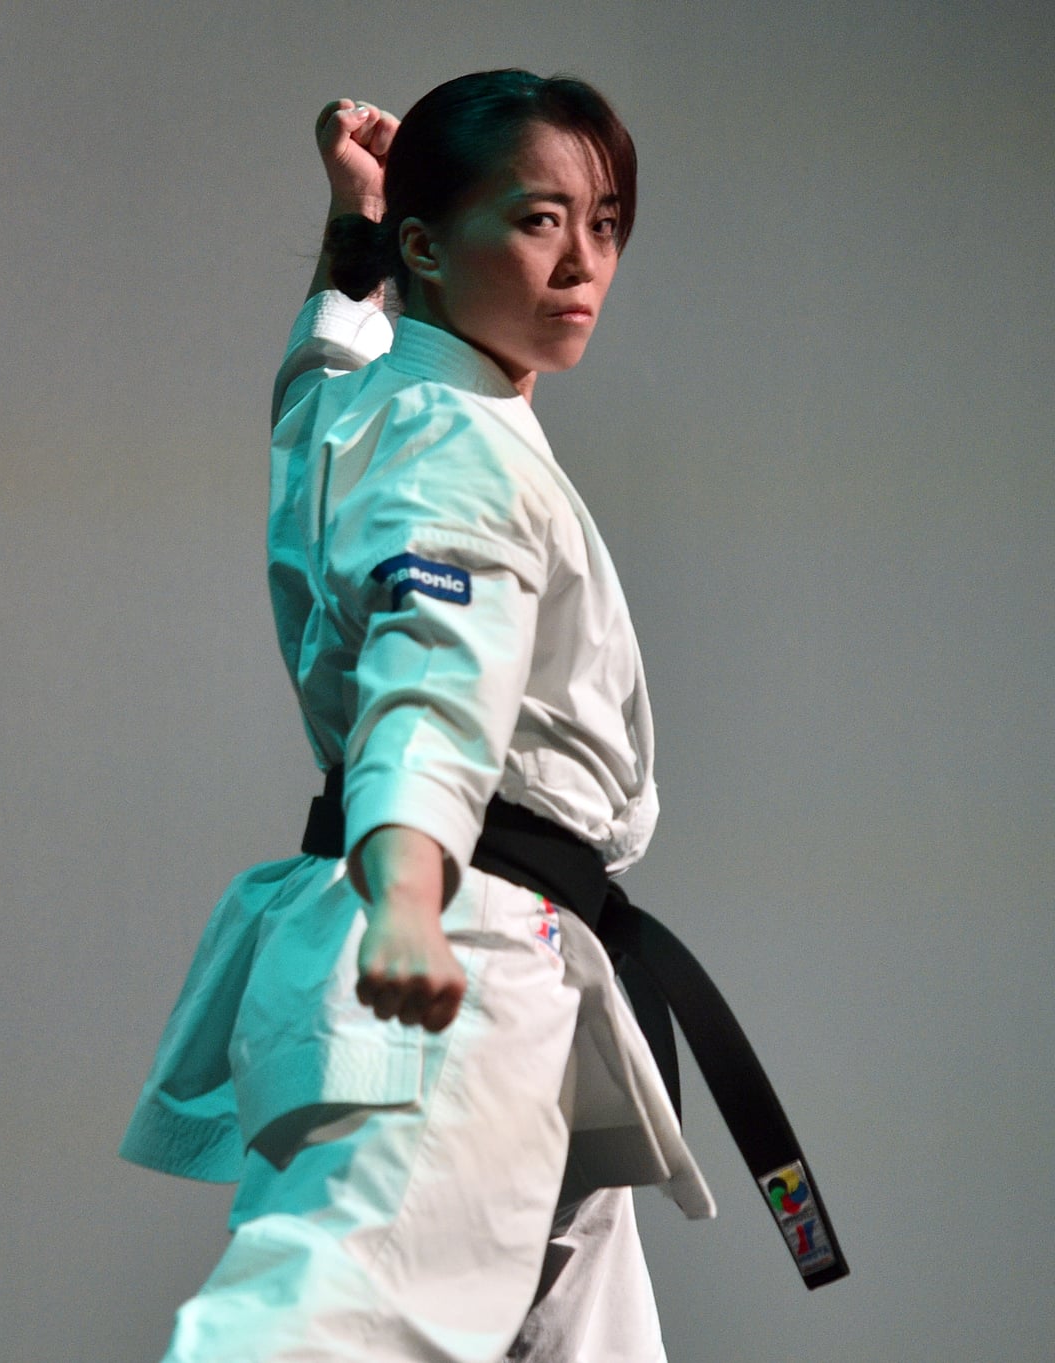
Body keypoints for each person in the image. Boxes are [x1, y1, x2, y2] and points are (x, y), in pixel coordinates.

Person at [121, 71, 714, 1361]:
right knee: (321, 1328)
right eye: (540, 220)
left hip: (516, 957)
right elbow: (430, 684)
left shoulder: (389, 409)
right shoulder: (459, 448)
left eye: (604, 222)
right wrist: (406, 890)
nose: (583, 263)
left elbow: (305, 425)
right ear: (432, 249)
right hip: (455, 948)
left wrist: (355, 240)